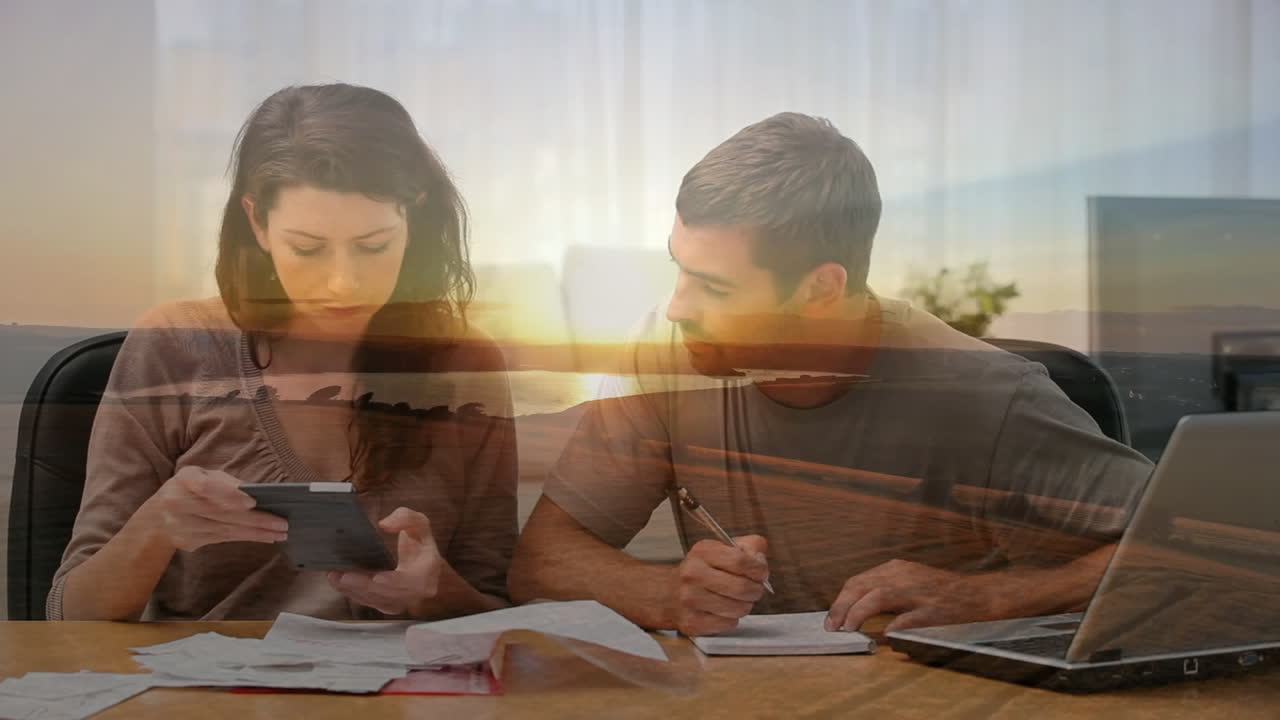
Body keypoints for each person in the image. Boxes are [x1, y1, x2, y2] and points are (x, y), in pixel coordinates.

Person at [509, 112, 1154, 636]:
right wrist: (664, 591)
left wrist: (990, 598)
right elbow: (542, 561)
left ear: (821, 288)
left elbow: (1207, 555)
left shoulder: (986, 396)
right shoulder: (665, 354)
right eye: (678, 268)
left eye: (712, 286)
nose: (678, 307)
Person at [49, 84, 517, 621]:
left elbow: (497, 606)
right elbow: (70, 615)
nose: (343, 284)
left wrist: (439, 595)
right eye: (307, 248)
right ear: (257, 222)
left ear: (414, 216)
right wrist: (156, 527)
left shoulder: (466, 363)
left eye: (373, 246)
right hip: (207, 697)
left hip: (395, 698)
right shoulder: (175, 345)